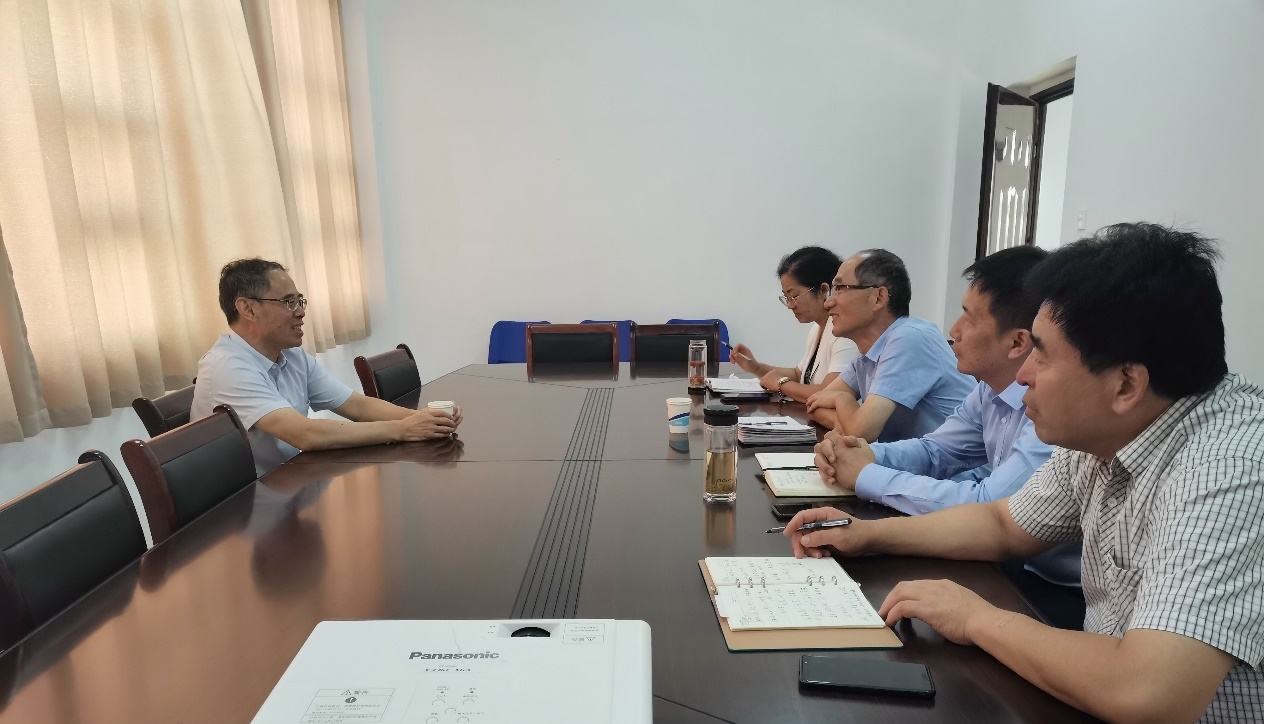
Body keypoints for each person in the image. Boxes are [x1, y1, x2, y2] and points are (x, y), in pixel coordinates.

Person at [784, 224, 1263, 721]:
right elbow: (1004, 523)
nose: (1025, 373)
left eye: (1043, 354)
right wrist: (867, 535)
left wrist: (976, 618)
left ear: (1126, 385)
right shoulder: (1106, 430)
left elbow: (1148, 691)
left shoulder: (1227, 468)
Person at [814, 245, 1053, 513]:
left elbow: (991, 504)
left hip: (968, 502)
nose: (954, 330)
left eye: (970, 319)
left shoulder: (1053, 409)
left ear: (1017, 342)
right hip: (952, 496)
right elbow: (936, 451)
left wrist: (864, 473)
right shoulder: (989, 390)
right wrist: (862, 455)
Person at [190, 259, 460, 476]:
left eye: (300, 301)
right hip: (244, 507)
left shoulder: (292, 355)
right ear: (248, 309)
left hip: (291, 480)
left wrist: (427, 420)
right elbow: (305, 434)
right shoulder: (228, 367)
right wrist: (404, 430)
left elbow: (356, 406)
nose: (300, 312)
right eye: (288, 302)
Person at [806, 249, 974, 442]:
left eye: (840, 288)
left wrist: (841, 399)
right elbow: (815, 405)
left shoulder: (909, 338)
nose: (828, 302)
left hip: (955, 462)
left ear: (878, 297)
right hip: (911, 459)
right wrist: (846, 424)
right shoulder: (869, 353)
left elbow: (861, 432)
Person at [729, 246, 858, 403]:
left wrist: (781, 384)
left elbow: (828, 393)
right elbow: (799, 375)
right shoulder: (817, 329)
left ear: (824, 290)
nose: (790, 305)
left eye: (794, 296)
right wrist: (755, 367)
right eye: (786, 297)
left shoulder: (845, 335)